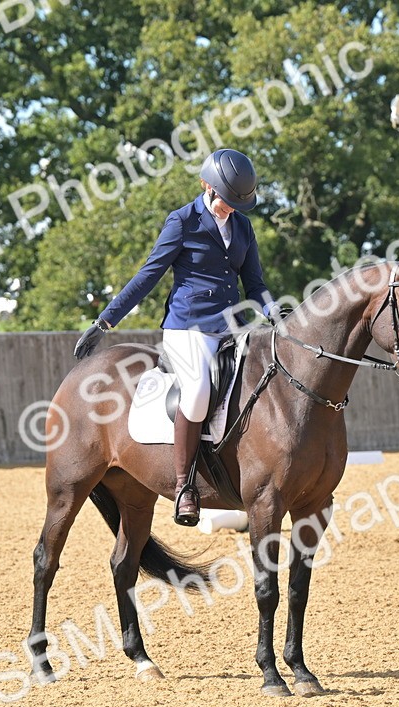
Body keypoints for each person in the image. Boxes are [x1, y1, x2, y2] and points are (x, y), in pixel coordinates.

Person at [73, 148, 280, 526]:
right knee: (198, 389)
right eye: (225, 201)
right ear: (206, 185)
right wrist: (105, 321)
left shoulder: (243, 227)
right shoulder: (182, 221)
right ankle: (186, 487)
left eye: (237, 204)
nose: (229, 209)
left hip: (230, 328)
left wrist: (274, 311)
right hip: (186, 328)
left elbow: (254, 283)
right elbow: (148, 275)